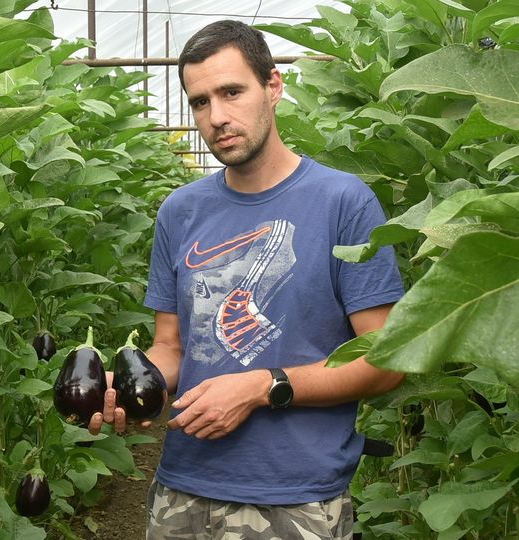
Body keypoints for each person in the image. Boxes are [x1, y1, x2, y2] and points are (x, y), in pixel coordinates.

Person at [88, 19, 405, 539]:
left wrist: (264, 386)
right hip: (182, 490)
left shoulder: (343, 202)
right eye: (200, 102)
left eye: (232, 92)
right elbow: (172, 347)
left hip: (295, 498)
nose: (216, 117)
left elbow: (386, 361)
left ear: (273, 86)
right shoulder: (180, 212)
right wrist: (130, 387)